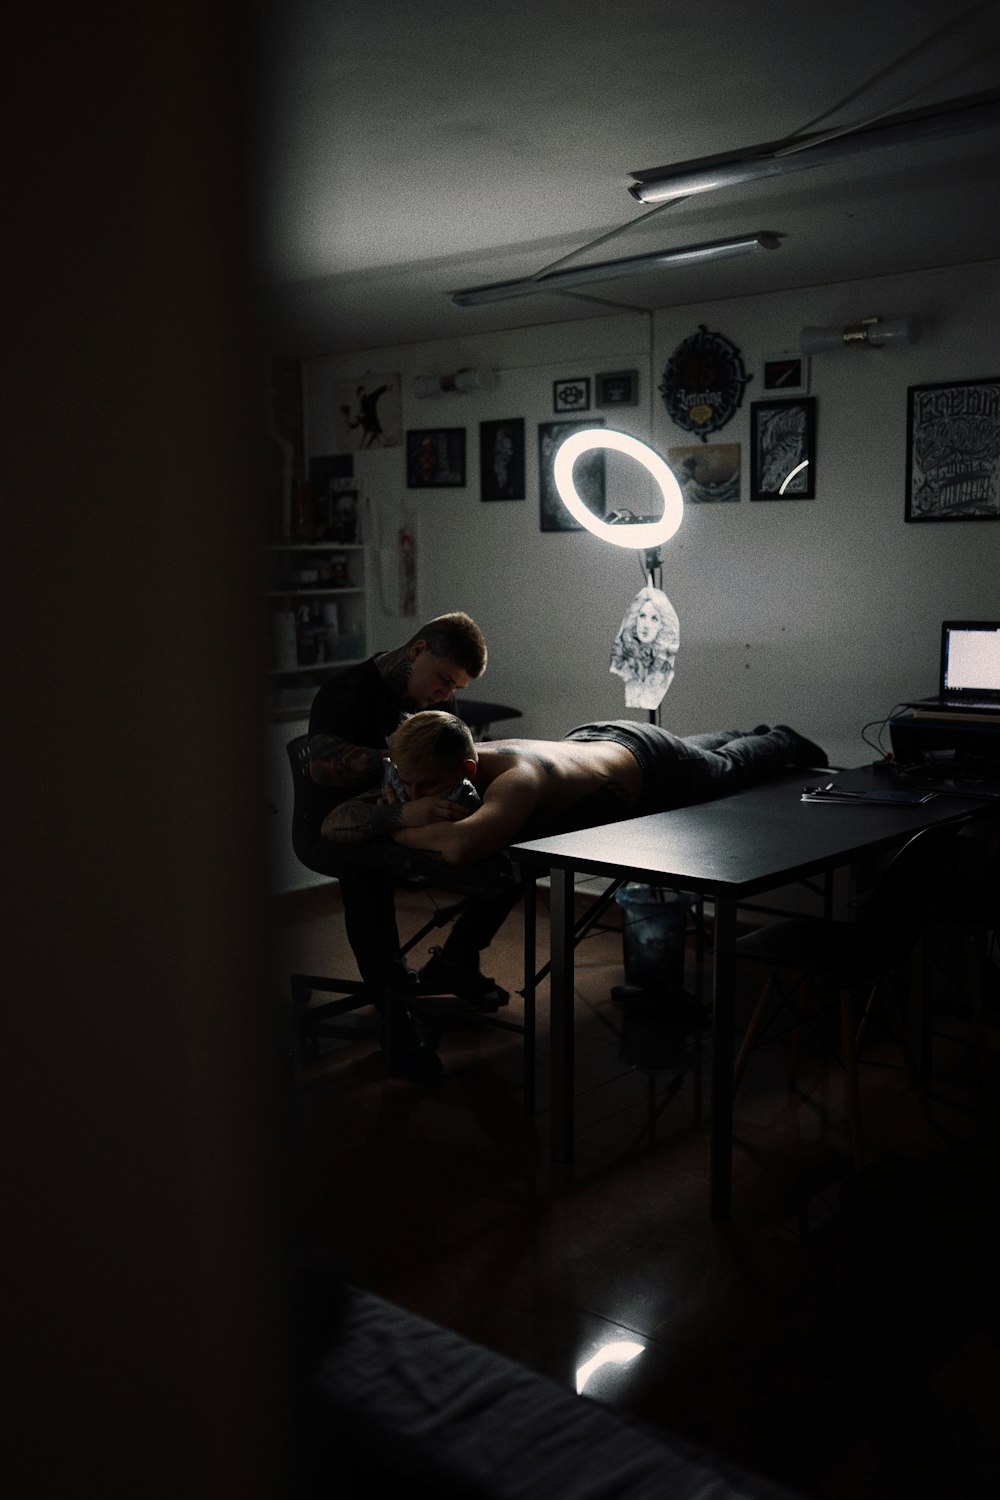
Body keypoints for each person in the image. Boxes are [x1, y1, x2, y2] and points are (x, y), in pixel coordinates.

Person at [303, 613, 516, 1081]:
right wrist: (399, 774)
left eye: (453, 687)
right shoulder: (346, 694)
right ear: (418, 650)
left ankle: (457, 960)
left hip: (408, 811)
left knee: (509, 859)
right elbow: (321, 767)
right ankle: (396, 1020)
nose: (445, 695)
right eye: (443, 680)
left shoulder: (432, 698)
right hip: (338, 825)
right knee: (367, 876)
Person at [322, 711, 828, 868]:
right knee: (697, 749)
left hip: (647, 762)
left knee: (723, 768)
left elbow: (461, 845)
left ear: (469, 766)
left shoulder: (517, 779)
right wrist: (397, 812)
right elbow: (333, 823)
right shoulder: (421, 765)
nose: (412, 793)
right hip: (595, 740)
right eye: (405, 782)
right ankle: (735, 731)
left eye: (425, 786)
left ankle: (779, 737)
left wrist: (398, 826)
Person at [609, 585, 680, 710]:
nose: (646, 625)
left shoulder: (663, 666)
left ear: (662, 626)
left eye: (654, 619)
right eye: (642, 616)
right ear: (635, 619)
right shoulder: (624, 659)